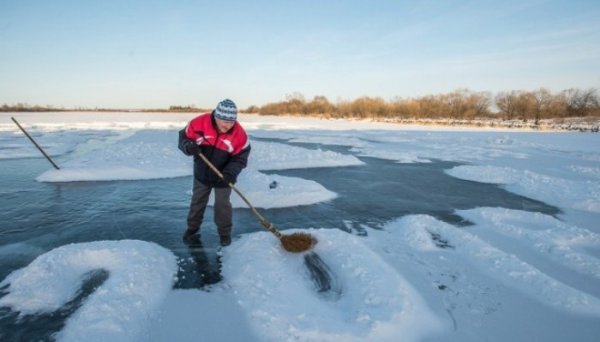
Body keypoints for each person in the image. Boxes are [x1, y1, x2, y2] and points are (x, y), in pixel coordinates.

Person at [178, 99, 250, 246]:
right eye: (225, 121)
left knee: (222, 206)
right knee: (197, 202)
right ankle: (192, 229)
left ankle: (224, 234)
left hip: (224, 177)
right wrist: (188, 146)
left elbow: (240, 158)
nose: (228, 126)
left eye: (231, 122)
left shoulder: (239, 135)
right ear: (216, 117)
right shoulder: (199, 123)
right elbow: (183, 137)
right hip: (202, 173)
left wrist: (230, 174)